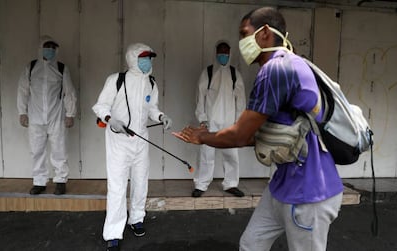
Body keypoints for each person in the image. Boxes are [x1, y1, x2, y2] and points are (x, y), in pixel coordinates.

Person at [173, 7, 343, 251]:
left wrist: (203, 136)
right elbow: (262, 133)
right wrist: (210, 131)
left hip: (309, 191)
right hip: (281, 185)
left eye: (244, 34)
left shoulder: (276, 70)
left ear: (264, 33)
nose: (241, 42)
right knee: (251, 244)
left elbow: (242, 134)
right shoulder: (285, 66)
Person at [92, 43, 172, 251]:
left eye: (150, 58)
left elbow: (151, 108)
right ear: (132, 58)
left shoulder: (151, 83)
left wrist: (161, 116)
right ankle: (113, 233)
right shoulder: (116, 80)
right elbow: (100, 106)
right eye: (144, 57)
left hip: (141, 140)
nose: (148, 61)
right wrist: (111, 119)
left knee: (140, 181)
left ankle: (136, 218)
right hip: (119, 142)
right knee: (117, 186)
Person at [17, 35, 77, 195]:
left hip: (56, 116)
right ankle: (39, 181)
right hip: (35, 116)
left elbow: (69, 92)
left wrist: (70, 114)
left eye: (52, 47)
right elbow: (22, 91)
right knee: (36, 150)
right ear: (40, 48)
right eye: (47, 46)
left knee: (59, 149)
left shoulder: (61, 68)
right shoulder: (31, 67)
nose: (50, 50)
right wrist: (22, 112)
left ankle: (60, 180)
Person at [193, 40, 246, 198]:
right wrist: (202, 118)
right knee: (206, 154)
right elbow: (199, 96)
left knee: (231, 155)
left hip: (229, 122)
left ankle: (231, 184)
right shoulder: (208, 72)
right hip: (210, 121)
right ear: (215, 54)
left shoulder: (235, 74)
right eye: (220, 53)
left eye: (226, 53)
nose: (223, 56)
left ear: (230, 54)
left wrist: (239, 121)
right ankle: (201, 184)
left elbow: (241, 99)